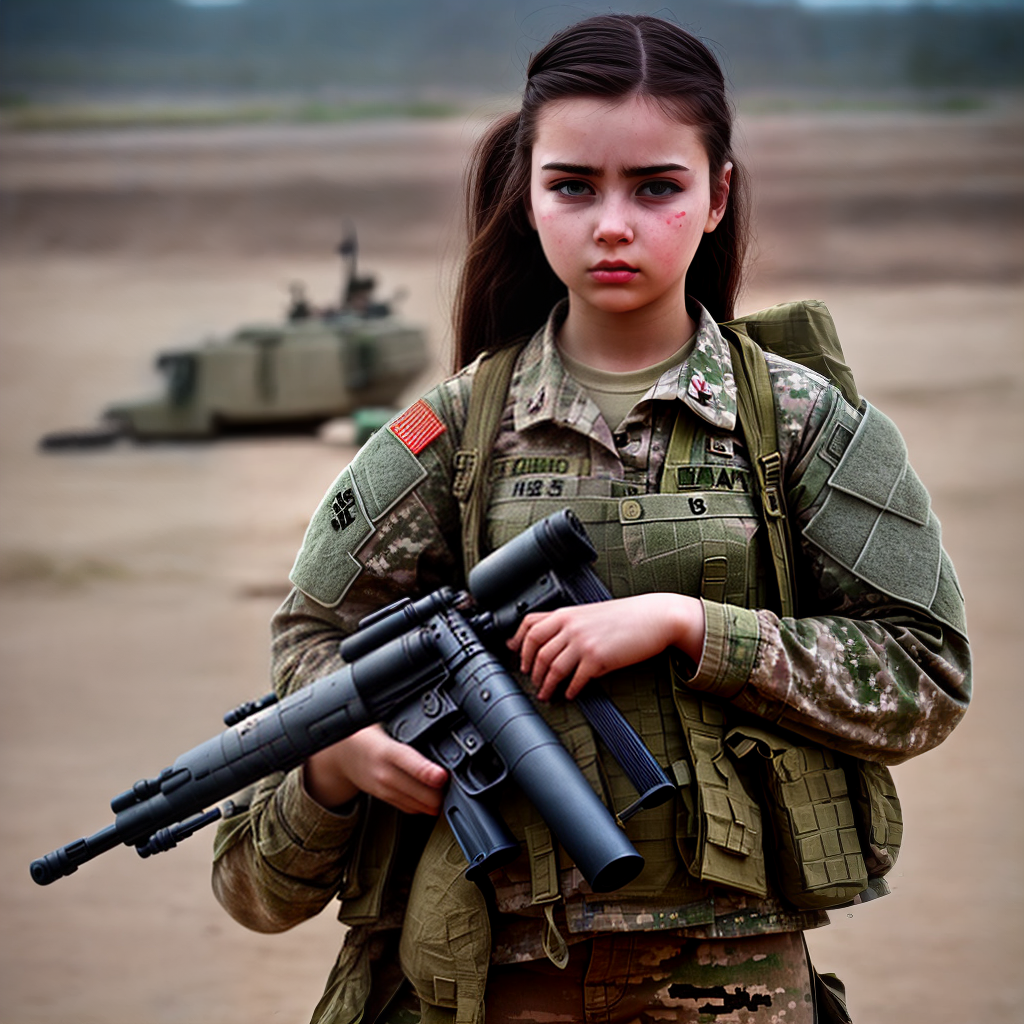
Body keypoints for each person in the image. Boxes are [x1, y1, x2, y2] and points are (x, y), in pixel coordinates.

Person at [211, 14, 971, 1023]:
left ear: (717, 197)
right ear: (527, 197)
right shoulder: (450, 434)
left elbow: (925, 669)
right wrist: (342, 750)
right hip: (485, 984)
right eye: (573, 185)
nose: (612, 224)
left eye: (656, 186)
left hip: (729, 991)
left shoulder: (795, 422)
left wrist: (691, 626)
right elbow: (311, 645)